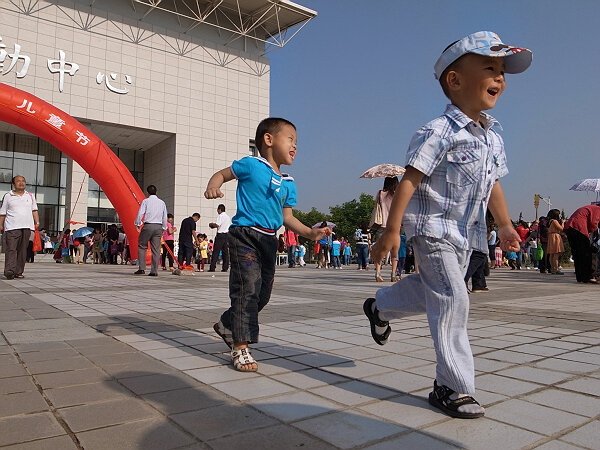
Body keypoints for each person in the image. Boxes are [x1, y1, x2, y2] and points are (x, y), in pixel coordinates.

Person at [363, 31, 531, 419]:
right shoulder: (438, 132)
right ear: (454, 81)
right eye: (490, 67)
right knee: (454, 299)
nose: (500, 77)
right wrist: (392, 229)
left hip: (465, 235)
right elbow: (411, 179)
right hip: (431, 229)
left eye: (503, 70)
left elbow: (493, 185)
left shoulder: (492, 137)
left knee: (433, 291)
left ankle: (380, 307)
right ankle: (450, 386)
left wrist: (505, 226)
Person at [204, 117, 329, 372]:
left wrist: (311, 233)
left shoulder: (289, 183)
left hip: (270, 240)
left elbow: (287, 218)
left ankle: (228, 323)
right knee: (246, 289)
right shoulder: (251, 165)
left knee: (262, 295)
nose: (295, 146)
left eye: (297, 142)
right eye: (290, 139)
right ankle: (240, 348)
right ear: (269, 140)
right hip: (245, 235)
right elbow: (223, 174)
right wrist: (213, 186)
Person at [0, 176, 40, 279]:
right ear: (13, 184)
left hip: (26, 227)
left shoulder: (30, 196)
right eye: (18, 181)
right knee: (12, 249)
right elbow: (3, 212)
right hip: (12, 227)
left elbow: (34, 210)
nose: (21, 183)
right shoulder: (8, 196)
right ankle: (9, 271)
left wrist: (37, 222)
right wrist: (1, 224)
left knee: (23, 251)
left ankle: (18, 272)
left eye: (23, 181)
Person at [134, 185, 168, 276]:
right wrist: (164, 228)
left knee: (142, 246)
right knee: (156, 250)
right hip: (158, 226)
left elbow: (141, 213)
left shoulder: (146, 201)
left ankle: (141, 268)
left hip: (148, 225)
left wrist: (138, 224)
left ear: (147, 193)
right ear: (156, 192)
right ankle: (154, 271)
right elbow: (165, 217)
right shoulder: (162, 203)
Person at [372, 176, 400, 282]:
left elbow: (376, 207)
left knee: (380, 251)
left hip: (382, 225)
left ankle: (378, 273)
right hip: (395, 226)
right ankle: (393, 274)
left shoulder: (380, 193)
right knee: (395, 252)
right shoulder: (398, 193)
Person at [564, 204, 600, 283]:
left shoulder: (589, 208)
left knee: (577, 254)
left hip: (570, 228)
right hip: (579, 228)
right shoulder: (598, 209)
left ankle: (580, 276)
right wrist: (594, 231)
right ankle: (587, 277)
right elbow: (594, 223)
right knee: (586, 254)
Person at [208, 204, 231, 272]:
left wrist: (211, 224)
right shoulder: (228, 217)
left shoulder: (220, 216)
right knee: (225, 252)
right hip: (226, 235)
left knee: (216, 251)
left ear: (220, 210)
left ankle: (212, 267)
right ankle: (225, 267)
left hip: (220, 235)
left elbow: (217, 225)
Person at [546, 209, 565, 275]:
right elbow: (561, 228)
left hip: (551, 236)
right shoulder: (554, 221)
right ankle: (556, 269)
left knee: (551, 254)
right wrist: (563, 222)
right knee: (556, 253)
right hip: (555, 236)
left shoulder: (549, 221)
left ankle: (552, 268)